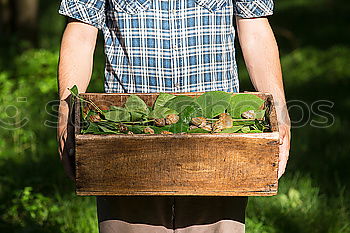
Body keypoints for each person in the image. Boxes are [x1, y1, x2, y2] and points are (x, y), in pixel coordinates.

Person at [57, 0, 291, 232]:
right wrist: (66, 115)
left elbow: (255, 29)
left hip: (217, 137)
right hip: (128, 133)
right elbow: (80, 33)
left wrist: (280, 115)